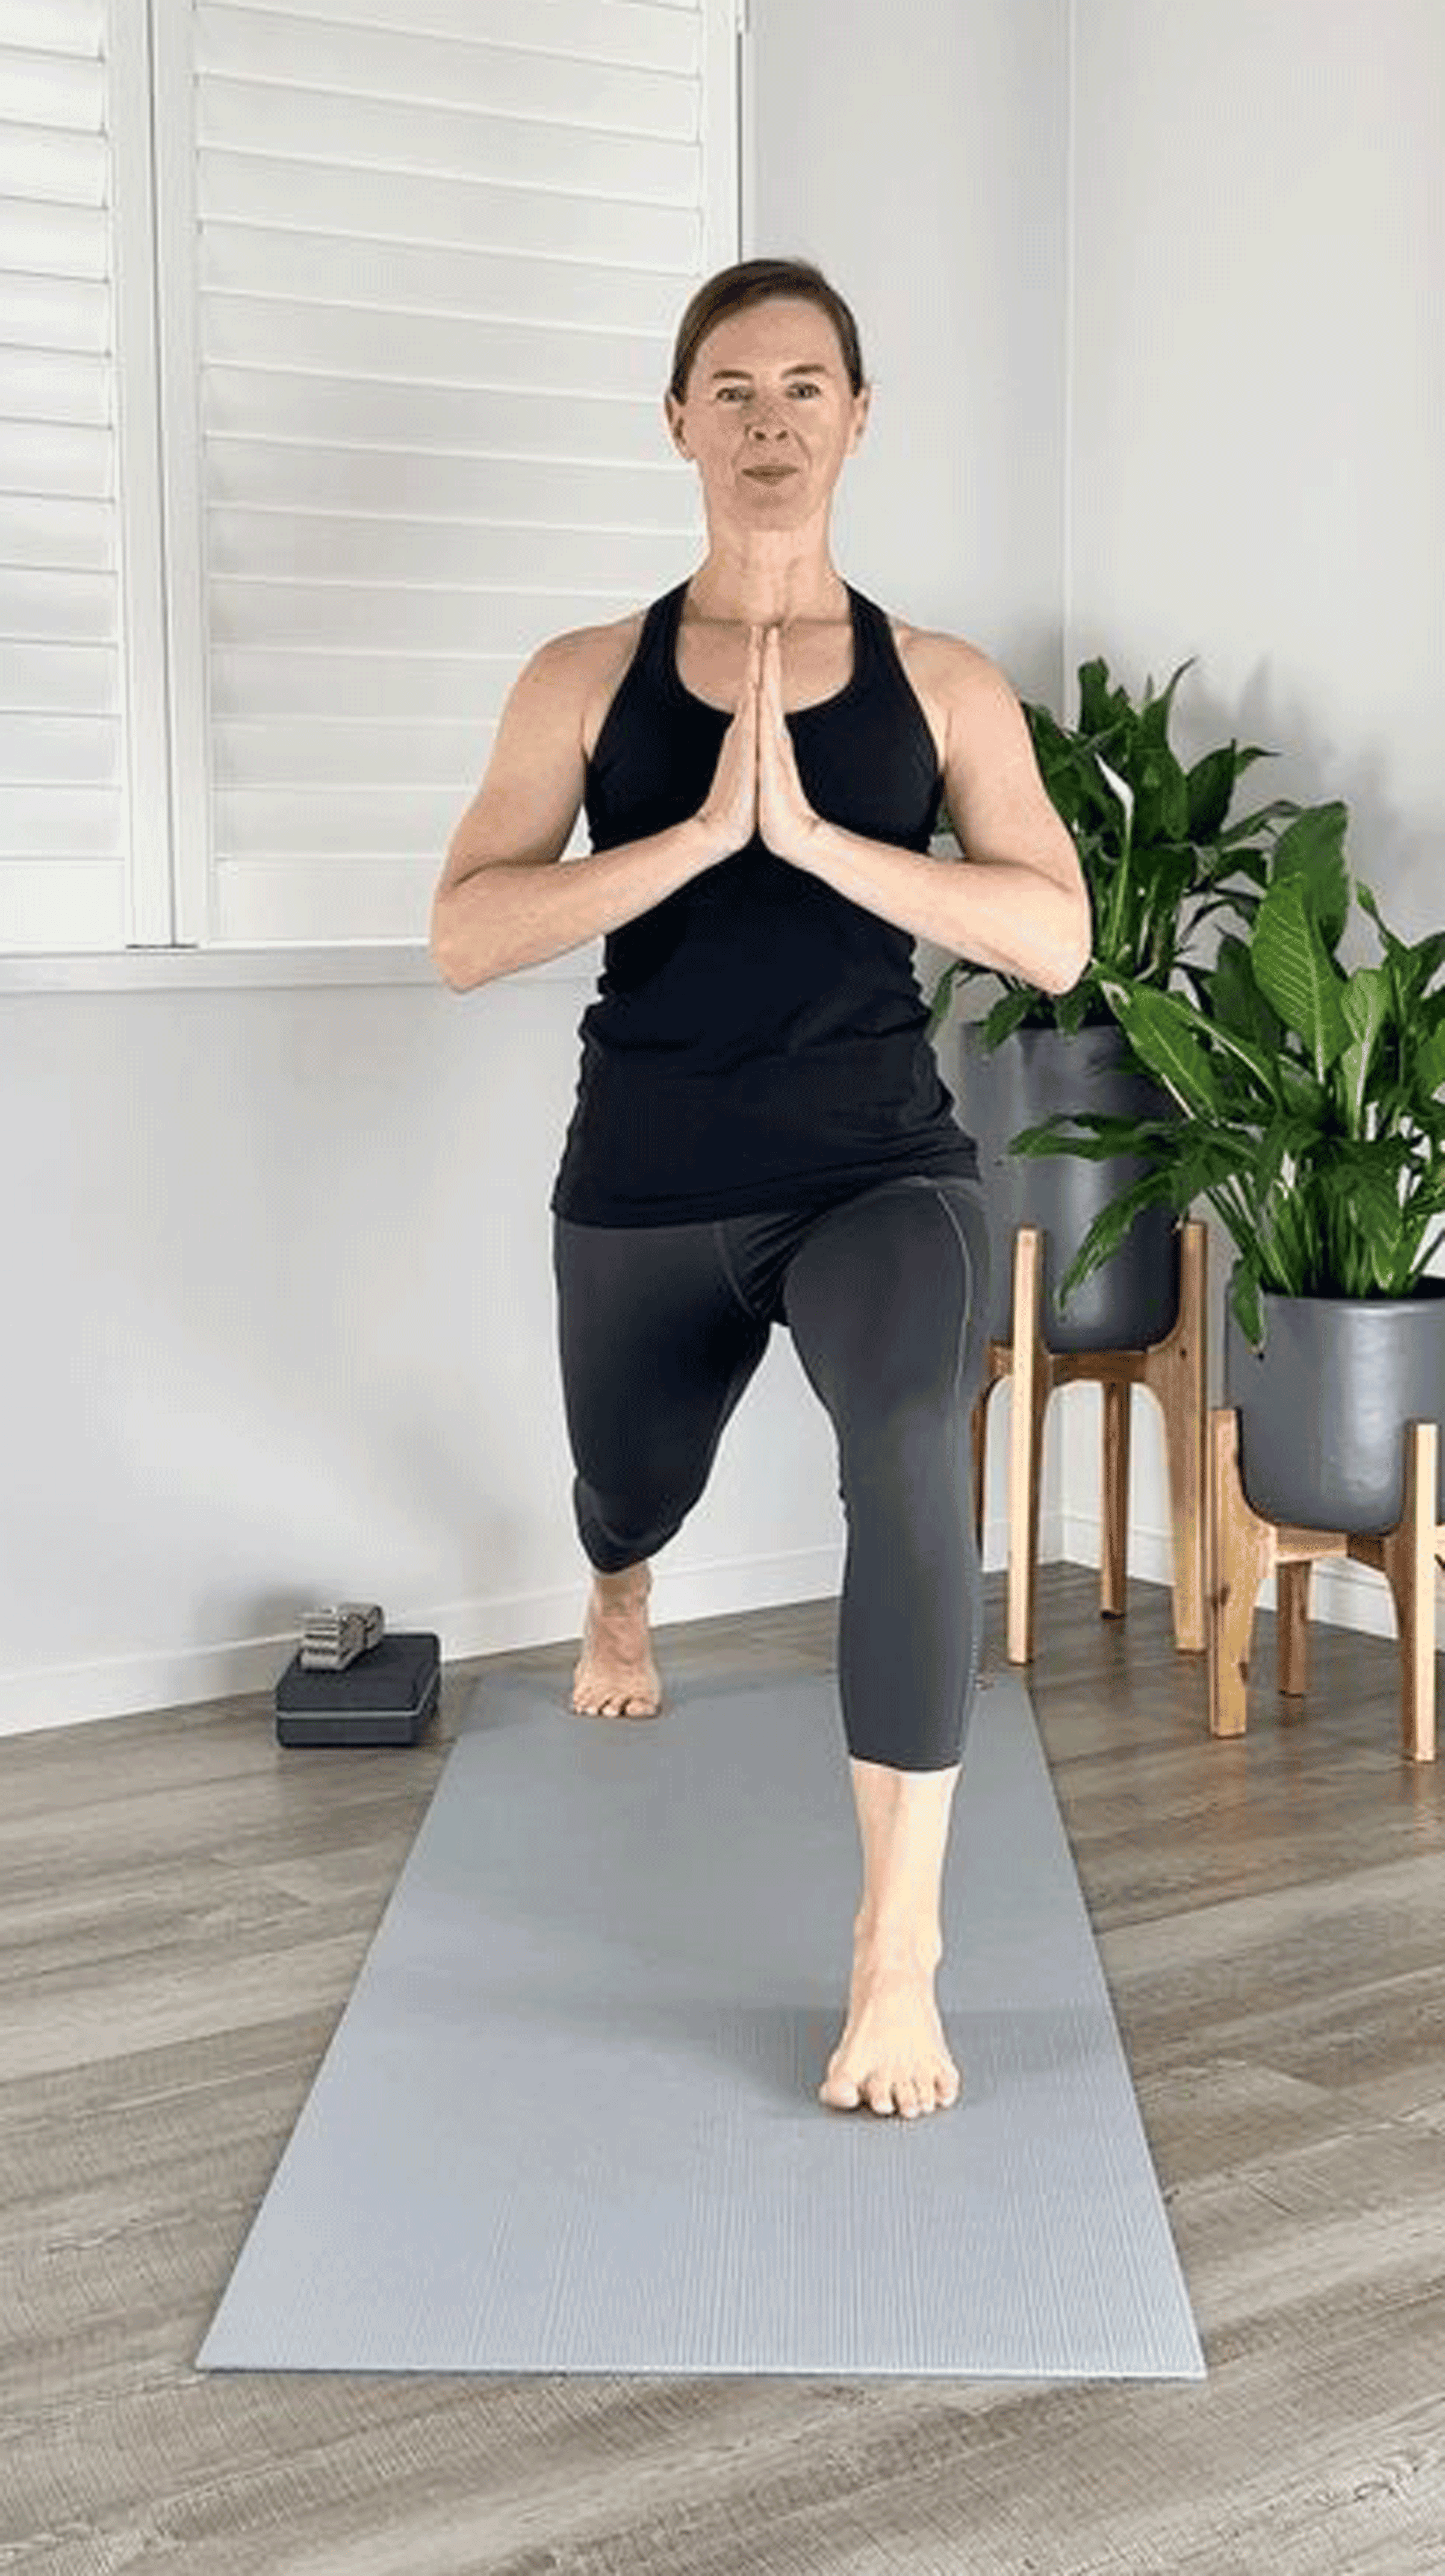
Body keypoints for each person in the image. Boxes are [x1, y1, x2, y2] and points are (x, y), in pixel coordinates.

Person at [430, 258, 1089, 2123]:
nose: (772, 420)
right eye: (733, 389)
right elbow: (466, 932)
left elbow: (1051, 934)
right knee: (626, 1476)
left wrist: (819, 840)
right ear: (678, 424)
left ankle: (897, 1950)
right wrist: (704, 834)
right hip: (644, 1180)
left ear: (860, 420)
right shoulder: (585, 679)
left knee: (905, 1440)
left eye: (808, 386)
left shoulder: (942, 685)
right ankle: (618, 1588)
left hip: (878, 1169)